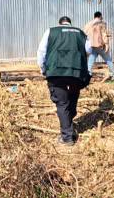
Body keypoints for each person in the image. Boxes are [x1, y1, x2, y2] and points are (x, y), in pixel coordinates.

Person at [37, 16, 92, 146]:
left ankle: (67, 138)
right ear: (69, 24)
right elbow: (89, 50)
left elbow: (41, 52)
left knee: (62, 103)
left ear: (60, 23)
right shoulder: (80, 33)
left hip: (56, 72)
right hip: (76, 73)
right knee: (72, 98)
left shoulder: (51, 31)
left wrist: (43, 69)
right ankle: (69, 123)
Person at [83, 11, 114, 79]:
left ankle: (88, 74)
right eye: (102, 16)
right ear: (100, 16)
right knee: (108, 59)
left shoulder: (88, 24)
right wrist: (106, 44)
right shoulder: (102, 23)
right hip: (100, 45)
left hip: (92, 45)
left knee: (91, 59)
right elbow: (104, 34)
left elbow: (84, 32)